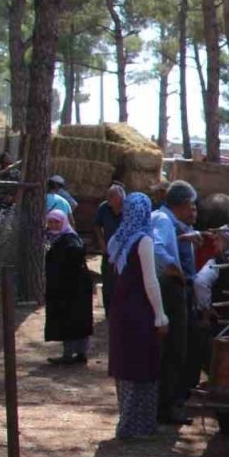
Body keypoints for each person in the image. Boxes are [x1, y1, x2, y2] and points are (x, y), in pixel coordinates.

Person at [107, 193, 169, 439]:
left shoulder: (118, 238)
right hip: (139, 311)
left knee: (125, 367)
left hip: (120, 310)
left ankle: (127, 421)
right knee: (142, 366)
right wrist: (160, 315)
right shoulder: (143, 240)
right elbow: (151, 281)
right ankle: (138, 427)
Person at [151, 180, 199, 426]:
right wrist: (175, 269)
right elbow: (157, 248)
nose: (193, 209)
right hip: (170, 288)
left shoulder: (165, 219)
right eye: (192, 205)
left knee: (173, 348)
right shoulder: (162, 220)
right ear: (184, 203)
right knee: (174, 348)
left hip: (168, 287)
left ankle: (165, 403)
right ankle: (167, 406)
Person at [43, 209, 94, 365]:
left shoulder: (69, 239)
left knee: (73, 319)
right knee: (70, 319)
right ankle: (73, 353)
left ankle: (75, 354)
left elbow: (77, 252)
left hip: (74, 288)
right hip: (65, 287)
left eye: (56, 222)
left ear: (63, 223)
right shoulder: (55, 238)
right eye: (50, 222)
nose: (53, 225)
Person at [94, 183, 125, 314]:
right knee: (108, 282)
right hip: (108, 251)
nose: (109, 199)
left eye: (112, 196)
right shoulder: (104, 208)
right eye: (108, 196)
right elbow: (96, 225)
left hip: (124, 253)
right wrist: (102, 243)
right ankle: (109, 312)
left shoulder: (129, 209)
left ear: (120, 197)